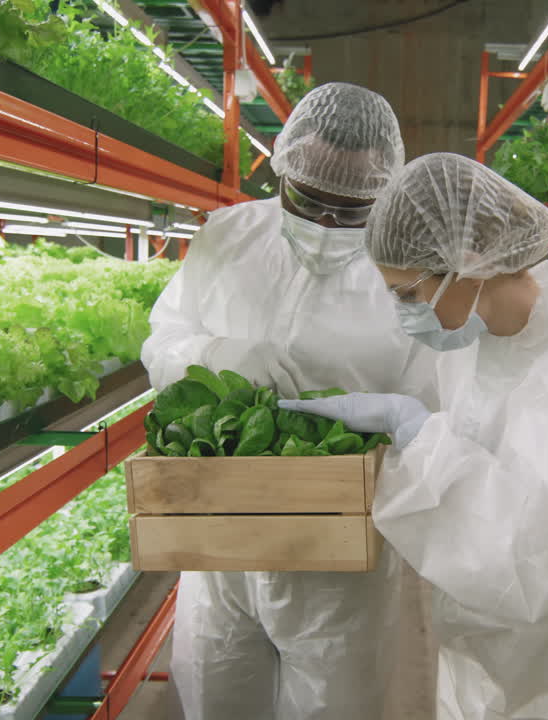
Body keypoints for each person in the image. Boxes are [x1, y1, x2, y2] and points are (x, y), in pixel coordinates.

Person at [281, 153, 548, 720]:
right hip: (483, 658)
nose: (406, 314)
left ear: (471, 262)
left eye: (408, 294)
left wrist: (420, 437)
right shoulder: (484, 345)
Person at [141, 83, 436, 720]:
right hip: (224, 537)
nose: (328, 223)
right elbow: (163, 340)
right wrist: (216, 354)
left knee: (338, 699)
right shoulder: (227, 237)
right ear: (282, 166)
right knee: (220, 688)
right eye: (310, 201)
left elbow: (432, 409)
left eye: (350, 209)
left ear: (382, 195)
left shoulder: (406, 268)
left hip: (345, 554)